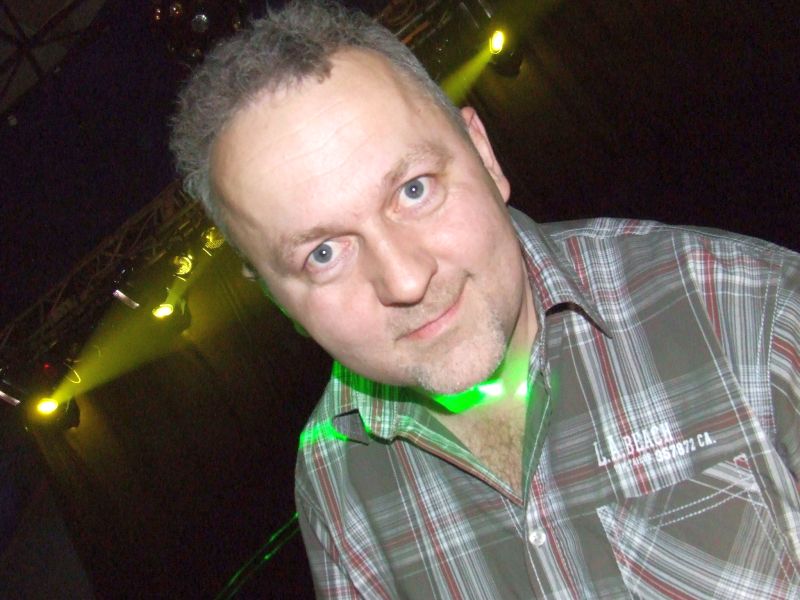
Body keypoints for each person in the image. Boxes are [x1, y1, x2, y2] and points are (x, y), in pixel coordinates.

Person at [170, 1, 800, 597]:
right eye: (324, 253)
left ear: (484, 155)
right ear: (278, 301)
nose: (405, 280)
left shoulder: (749, 309)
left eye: (414, 190)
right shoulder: (336, 477)